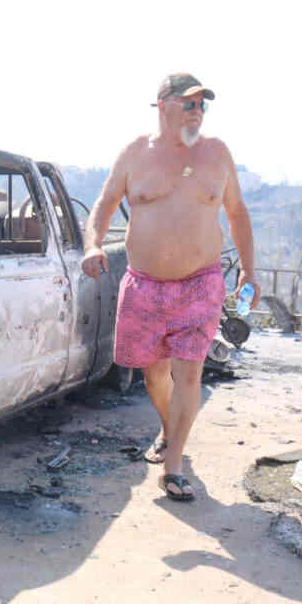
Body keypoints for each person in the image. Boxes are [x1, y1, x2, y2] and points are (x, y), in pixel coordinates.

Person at [81, 73, 259, 502]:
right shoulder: (133, 154)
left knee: (189, 371)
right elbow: (104, 206)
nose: (198, 111)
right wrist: (92, 244)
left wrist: (249, 271)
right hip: (144, 286)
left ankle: (175, 466)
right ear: (163, 105)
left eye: (202, 105)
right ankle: (167, 428)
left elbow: (236, 213)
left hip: (201, 282)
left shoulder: (217, 154)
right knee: (154, 375)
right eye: (189, 103)